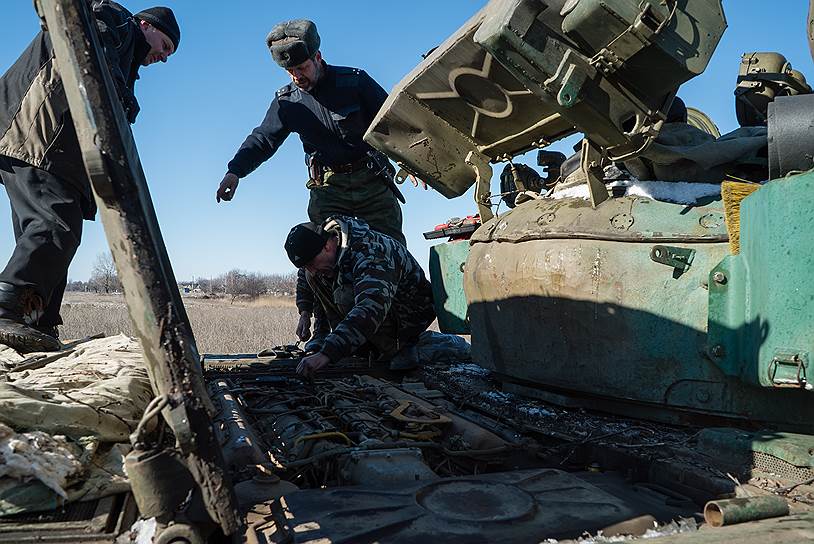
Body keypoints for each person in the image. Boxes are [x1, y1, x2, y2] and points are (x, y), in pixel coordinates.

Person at [216, 19, 410, 351]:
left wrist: (414, 159)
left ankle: (402, 337)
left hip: (372, 182)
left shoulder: (355, 82)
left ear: (318, 57)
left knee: (390, 253)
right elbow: (263, 139)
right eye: (291, 73)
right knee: (317, 258)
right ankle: (323, 331)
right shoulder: (288, 101)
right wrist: (235, 171)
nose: (298, 77)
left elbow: (395, 122)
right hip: (328, 188)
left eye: (302, 67)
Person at [0, 2, 180, 353]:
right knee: (56, 226)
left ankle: (38, 326)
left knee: (49, 232)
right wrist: (123, 94)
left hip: (49, 147)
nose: (165, 57)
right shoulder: (114, 20)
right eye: (167, 46)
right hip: (40, 134)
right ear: (147, 25)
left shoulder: (124, 49)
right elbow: (89, 44)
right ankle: (6, 308)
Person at [284, 217, 435, 377]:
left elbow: (370, 308)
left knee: (345, 294)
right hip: (378, 310)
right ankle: (325, 336)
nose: (312, 270)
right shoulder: (323, 252)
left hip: (407, 318)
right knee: (312, 275)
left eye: (311, 263)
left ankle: (398, 346)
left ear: (327, 246)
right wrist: (305, 312)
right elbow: (304, 274)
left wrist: (328, 353)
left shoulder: (371, 252)